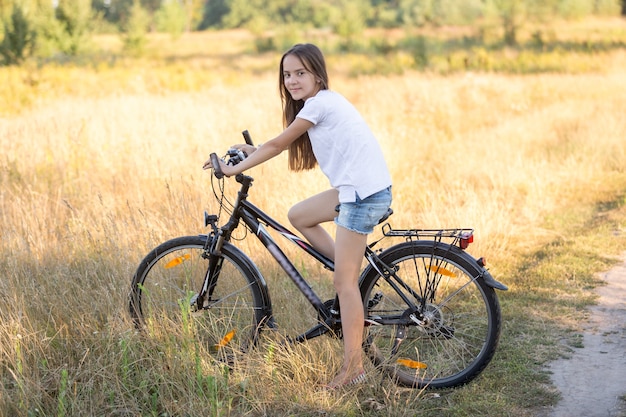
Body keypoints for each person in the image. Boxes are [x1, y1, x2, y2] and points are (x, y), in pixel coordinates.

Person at [203, 43, 392, 389]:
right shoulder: (320, 104)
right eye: (287, 75)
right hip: (361, 187)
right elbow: (279, 142)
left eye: (300, 73)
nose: (292, 80)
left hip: (361, 195)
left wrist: (235, 170)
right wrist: (249, 151)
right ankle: (354, 272)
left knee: (343, 285)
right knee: (300, 215)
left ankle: (354, 370)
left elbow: (278, 145)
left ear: (318, 74)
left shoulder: (318, 105)